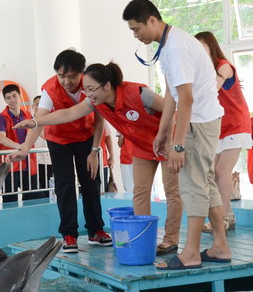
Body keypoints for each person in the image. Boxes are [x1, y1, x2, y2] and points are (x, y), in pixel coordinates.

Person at [12, 61, 182, 255]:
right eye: (85, 89)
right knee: (140, 193)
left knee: (172, 192)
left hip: (167, 142)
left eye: (91, 89)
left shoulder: (139, 93)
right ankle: (142, 239)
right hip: (143, 147)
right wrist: (35, 122)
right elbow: (68, 113)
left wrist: (170, 141)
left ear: (107, 85)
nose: (88, 94)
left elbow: (170, 109)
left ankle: (170, 240)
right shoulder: (95, 101)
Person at [123, 0, 231, 269]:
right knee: (205, 183)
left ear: (152, 20)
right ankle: (220, 246)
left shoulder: (177, 48)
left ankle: (191, 253)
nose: (136, 36)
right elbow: (172, 93)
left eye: (137, 29)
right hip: (202, 120)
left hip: (199, 122)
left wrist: (178, 145)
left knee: (193, 186)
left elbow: (186, 99)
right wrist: (163, 132)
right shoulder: (170, 44)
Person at [8, 49, 110, 253]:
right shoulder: (50, 89)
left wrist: (94, 150)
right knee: (65, 185)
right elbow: (38, 121)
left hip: (86, 138)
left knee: (91, 182)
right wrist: (25, 148)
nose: (66, 81)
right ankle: (69, 234)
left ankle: (96, 230)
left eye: (71, 76)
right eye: (61, 75)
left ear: (81, 73)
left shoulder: (91, 85)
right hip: (59, 139)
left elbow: (100, 119)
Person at [195, 31, 253, 232]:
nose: (198, 52)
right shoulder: (203, 70)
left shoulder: (223, 66)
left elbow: (210, 89)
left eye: (201, 47)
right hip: (219, 126)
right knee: (212, 173)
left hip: (236, 124)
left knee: (221, 171)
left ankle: (222, 218)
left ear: (211, 47)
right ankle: (227, 216)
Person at [0, 84, 46, 202]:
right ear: (5, 100)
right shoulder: (0, 117)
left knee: (35, 200)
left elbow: (42, 134)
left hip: (29, 165)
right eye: (8, 98)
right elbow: (2, 139)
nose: (12, 100)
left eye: (14, 96)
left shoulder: (28, 116)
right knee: (10, 201)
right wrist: (21, 147)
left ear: (20, 96)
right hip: (11, 166)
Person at [31, 96, 53, 190]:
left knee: (51, 189)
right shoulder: (29, 121)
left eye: (42, 104)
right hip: (36, 162)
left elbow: (47, 136)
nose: (40, 107)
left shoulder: (52, 121)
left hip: (51, 160)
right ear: (33, 106)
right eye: (37, 104)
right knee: (39, 190)